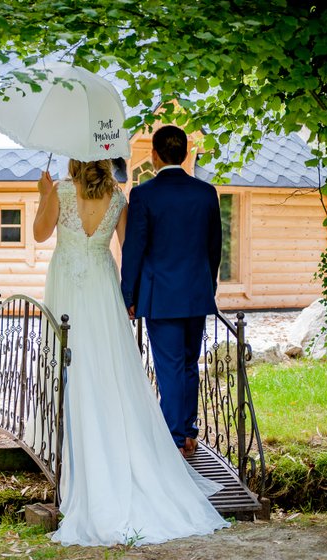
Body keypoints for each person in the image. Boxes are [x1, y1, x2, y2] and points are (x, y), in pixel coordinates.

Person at [33, 157, 229, 547]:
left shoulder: (61, 191)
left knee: (71, 360)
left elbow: (40, 234)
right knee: (108, 365)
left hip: (67, 282)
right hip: (102, 284)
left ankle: (76, 447)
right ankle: (112, 438)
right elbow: (130, 248)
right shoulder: (118, 197)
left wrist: (43, 194)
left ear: (74, 158)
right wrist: (135, 293)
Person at [120, 125, 223, 459]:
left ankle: (175, 438)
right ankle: (188, 432)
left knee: (169, 368)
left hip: (161, 296)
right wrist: (210, 286)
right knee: (189, 364)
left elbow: (134, 250)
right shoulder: (206, 193)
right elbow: (214, 249)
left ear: (154, 155)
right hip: (196, 293)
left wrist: (128, 295)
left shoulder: (144, 195)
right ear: (186, 153)